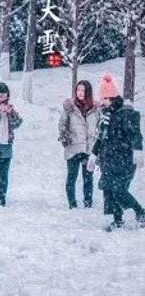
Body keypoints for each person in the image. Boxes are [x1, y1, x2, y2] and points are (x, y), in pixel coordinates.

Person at [87, 73, 144, 232]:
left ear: (112, 98)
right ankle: (117, 220)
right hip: (108, 160)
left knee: (118, 190)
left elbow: (135, 134)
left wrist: (138, 151)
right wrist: (93, 156)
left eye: (105, 99)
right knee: (110, 190)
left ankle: (140, 213)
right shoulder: (105, 114)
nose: (102, 102)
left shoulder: (125, 114)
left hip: (124, 160)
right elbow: (100, 138)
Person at [58, 80, 100, 209]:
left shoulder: (95, 109)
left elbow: (100, 127)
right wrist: (65, 137)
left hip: (88, 148)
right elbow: (62, 124)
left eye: (83, 90)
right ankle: (72, 204)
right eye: (78, 90)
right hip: (73, 146)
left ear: (88, 92)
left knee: (88, 178)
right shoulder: (70, 108)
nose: (80, 93)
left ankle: (88, 203)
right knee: (72, 177)